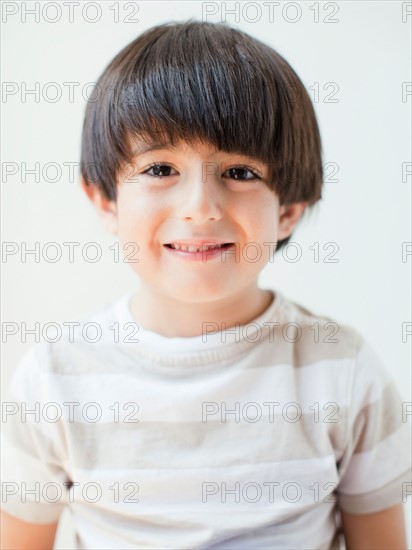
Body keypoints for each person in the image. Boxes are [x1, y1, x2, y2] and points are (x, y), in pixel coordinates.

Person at [1, 20, 410, 550]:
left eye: (240, 173)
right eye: (160, 168)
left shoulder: (342, 370)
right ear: (105, 200)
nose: (199, 208)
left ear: (287, 209)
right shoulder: (55, 380)